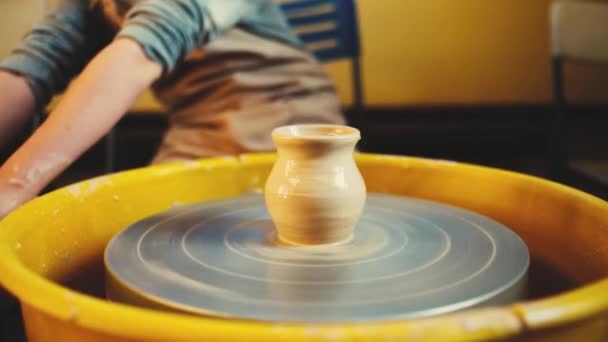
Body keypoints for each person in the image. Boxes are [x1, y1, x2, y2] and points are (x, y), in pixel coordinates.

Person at [0, 0, 345, 219]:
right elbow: (36, 64)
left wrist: (13, 184)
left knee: (272, 243)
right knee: (129, 244)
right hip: (194, 131)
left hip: (287, 121)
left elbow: (142, 51)